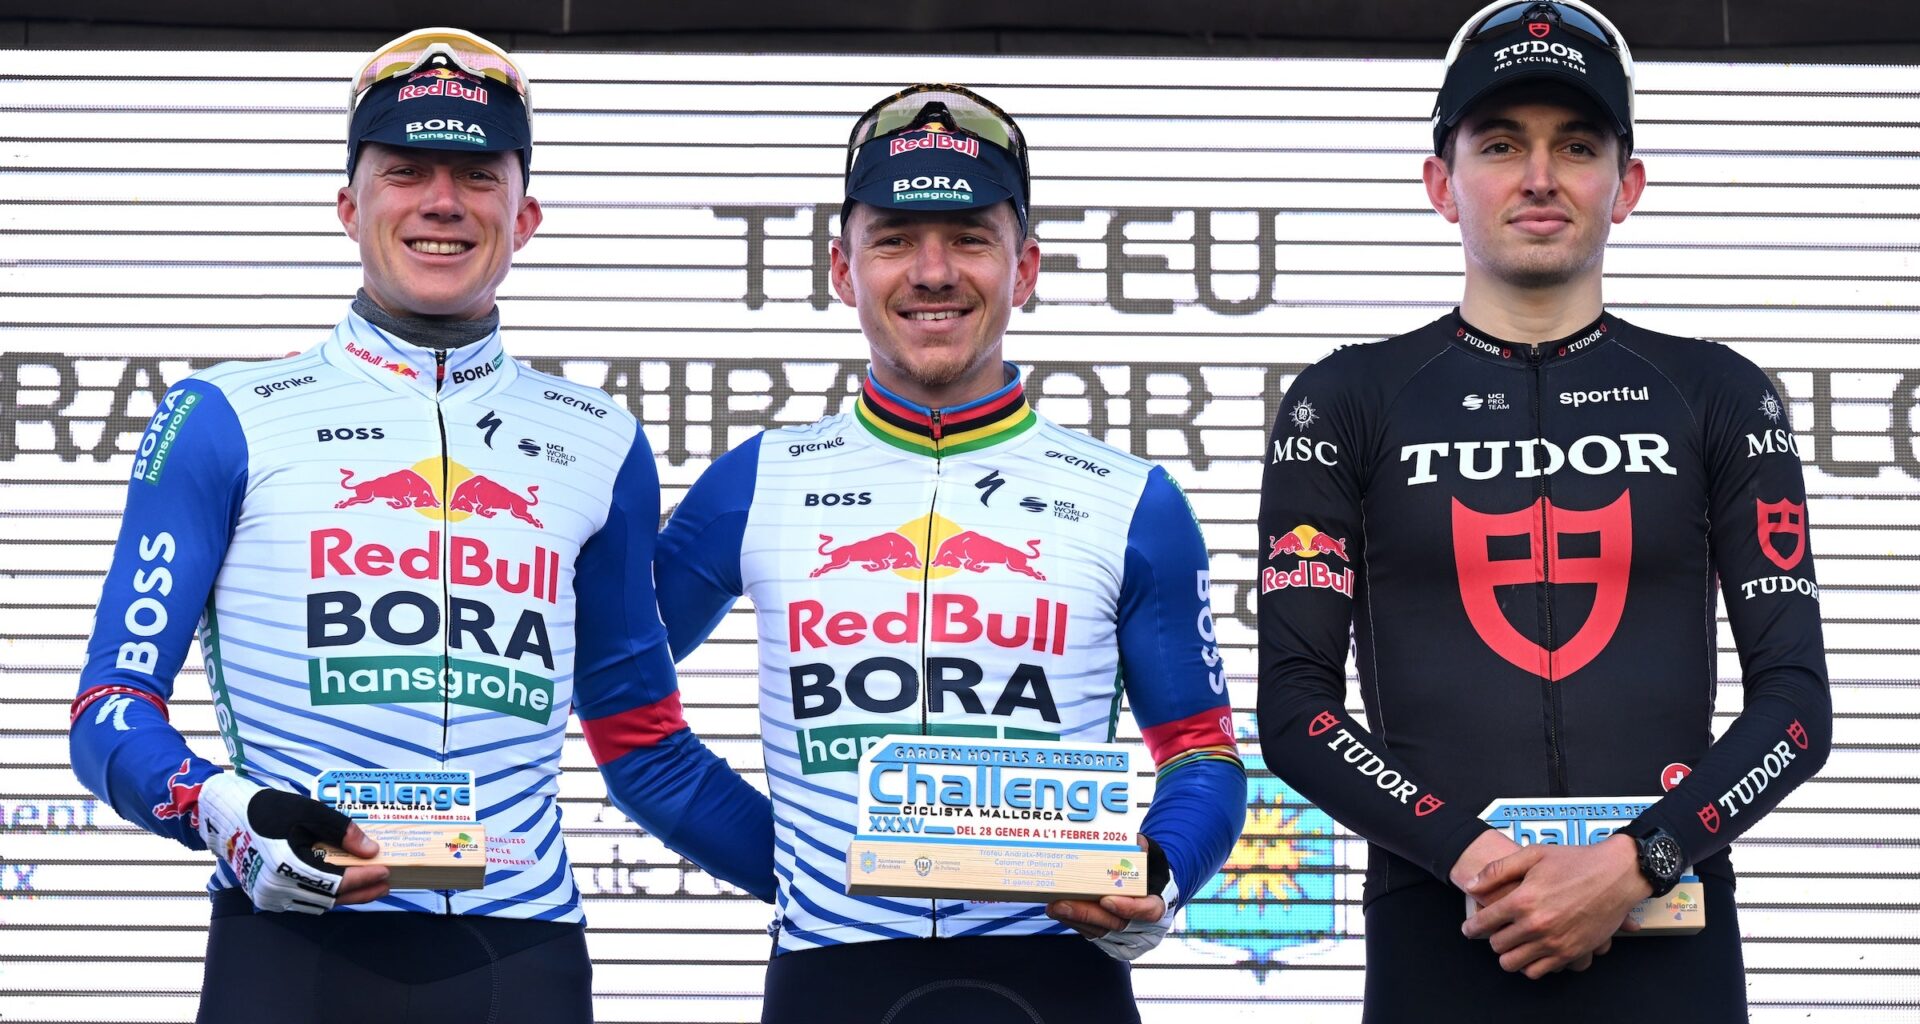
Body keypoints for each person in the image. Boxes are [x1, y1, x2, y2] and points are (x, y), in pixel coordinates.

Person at [69, 27, 774, 1023]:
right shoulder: (220, 415)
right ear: (349, 204)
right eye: (406, 170)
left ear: (524, 213)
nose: (443, 201)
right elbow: (109, 709)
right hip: (293, 942)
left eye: (477, 174)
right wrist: (220, 813)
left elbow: (644, 742)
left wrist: (890, 884)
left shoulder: (601, 441)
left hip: (522, 954)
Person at [1255, 2, 1831, 1019]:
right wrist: (1473, 856)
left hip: (1668, 929)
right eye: (1500, 143)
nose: (1538, 175)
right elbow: (1297, 711)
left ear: (1628, 184)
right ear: (1442, 184)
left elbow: (1795, 709)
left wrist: (1636, 861)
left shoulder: (1722, 394)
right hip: (1442, 929)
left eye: (1576, 144)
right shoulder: (1343, 400)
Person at [654, 84, 1247, 1023]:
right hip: (827, 981)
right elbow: (613, 704)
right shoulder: (752, 482)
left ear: (1026, 268)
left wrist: (1158, 872)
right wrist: (790, 861)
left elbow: (1202, 753)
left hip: (1059, 986)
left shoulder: (1135, 499)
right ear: (843, 270)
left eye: (970, 236)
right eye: (893, 238)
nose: (933, 272)